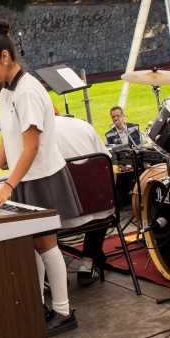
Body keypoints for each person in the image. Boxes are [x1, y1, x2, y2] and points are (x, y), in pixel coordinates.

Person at [0, 19, 81, 335]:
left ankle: (63, 312)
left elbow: (31, 146)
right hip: (26, 178)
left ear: (4, 56)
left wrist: (9, 185)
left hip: (41, 177)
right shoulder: (7, 91)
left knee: (46, 245)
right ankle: (37, 306)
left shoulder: (27, 91)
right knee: (32, 245)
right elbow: (7, 141)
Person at [53, 114, 112, 286]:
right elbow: (106, 159)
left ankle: (52, 273)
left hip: (62, 215)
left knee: (33, 214)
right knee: (99, 207)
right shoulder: (82, 124)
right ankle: (87, 264)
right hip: (101, 206)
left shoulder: (38, 132)